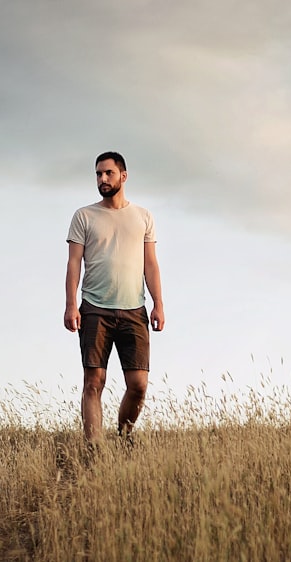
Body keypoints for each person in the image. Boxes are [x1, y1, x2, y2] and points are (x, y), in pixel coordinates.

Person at [64, 151, 165, 444]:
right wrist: (71, 305)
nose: (102, 179)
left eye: (108, 173)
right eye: (98, 174)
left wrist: (158, 303)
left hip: (134, 310)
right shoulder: (84, 216)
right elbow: (73, 263)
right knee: (94, 382)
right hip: (94, 309)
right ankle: (94, 449)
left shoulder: (143, 216)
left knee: (138, 385)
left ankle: (123, 437)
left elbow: (151, 263)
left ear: (123, 175)